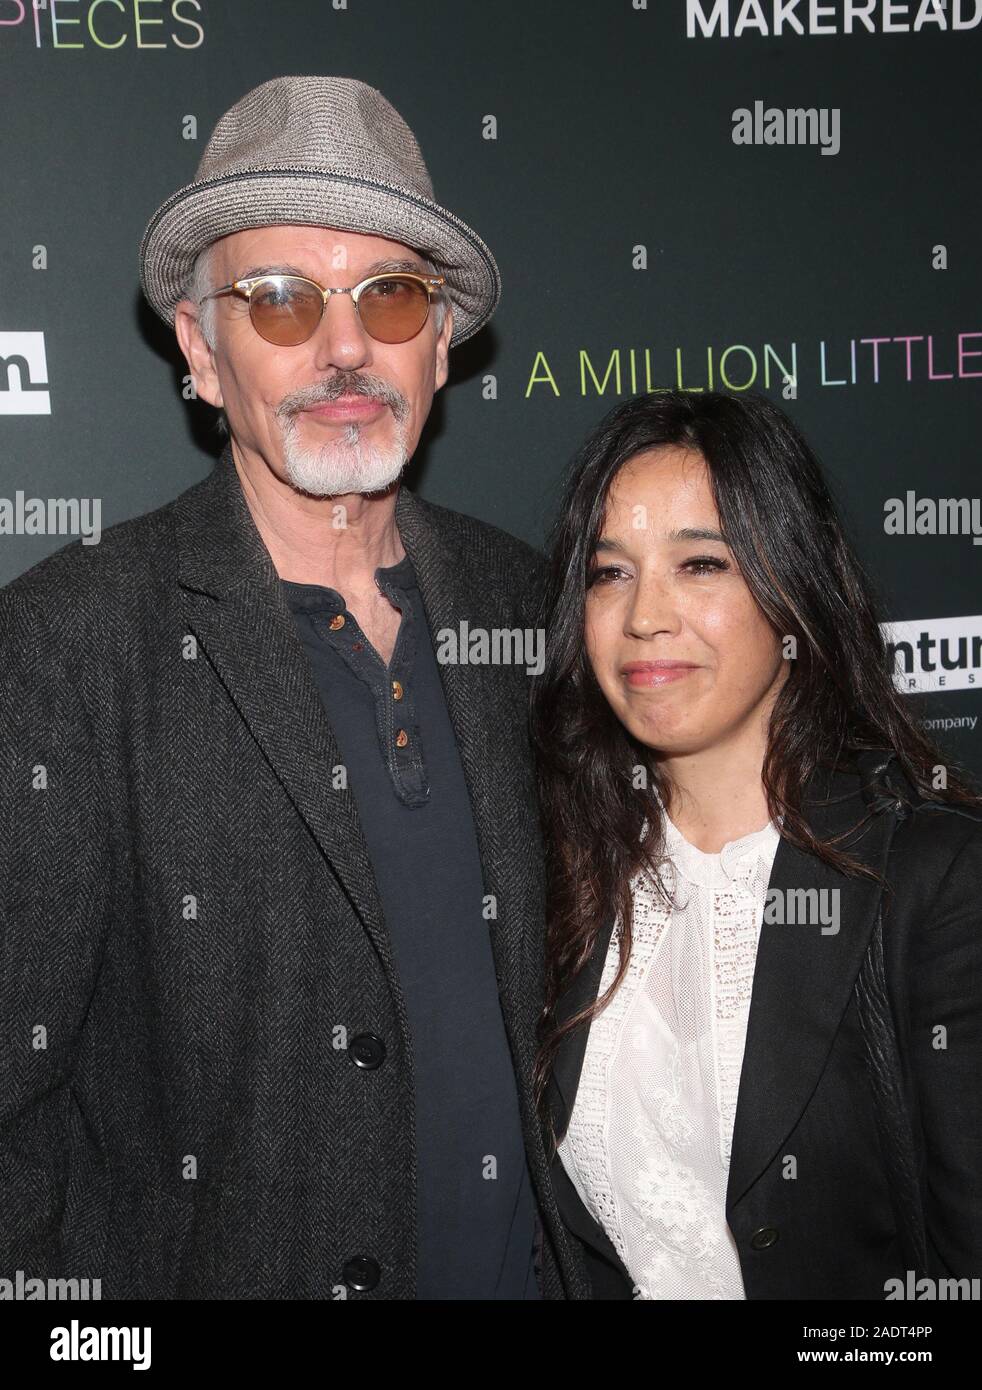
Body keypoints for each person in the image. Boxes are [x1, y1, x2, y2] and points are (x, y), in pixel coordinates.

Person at [0, 75, 587, 1300]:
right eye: (277, 302)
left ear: (438, 345)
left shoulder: (530, 604)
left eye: (390, 294)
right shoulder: (70, 640)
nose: (343, 348)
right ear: (200, 353)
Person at [530, 388, 982, 1300]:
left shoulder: (933, 879)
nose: (645, 616)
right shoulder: (562, 872)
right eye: (611, 573)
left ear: (790, 590)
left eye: (701, 564)